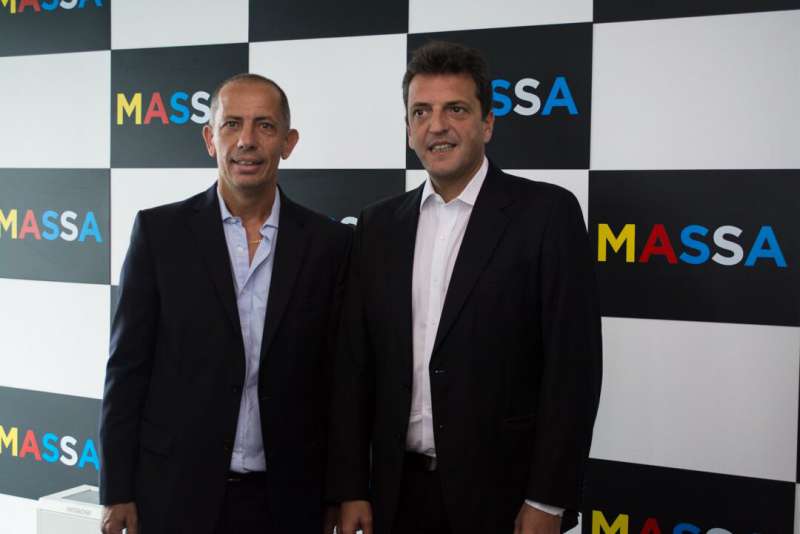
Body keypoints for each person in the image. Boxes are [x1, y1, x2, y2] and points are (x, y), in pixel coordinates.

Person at [327, 41, 602, 534]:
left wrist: (549, 499)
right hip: (394, 496)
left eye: (455, 109)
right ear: (408, 128)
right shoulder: (377, 225)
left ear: (487, 123)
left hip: (504, 500)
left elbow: (573, 369)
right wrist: (351, 487)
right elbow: (354, 366)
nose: (437, 126)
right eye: (421, 112)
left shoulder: (547, 215)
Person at [99, 73, 350, 534]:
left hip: (291, 500)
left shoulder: (330, 244)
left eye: (264, 126)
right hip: (175, 494)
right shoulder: (159, 234)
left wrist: (341, 490)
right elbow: (127, 369)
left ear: (289, 142)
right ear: (209, 139)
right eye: (232, 124)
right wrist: (117, 490)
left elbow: (341, 382)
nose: (246, 141)